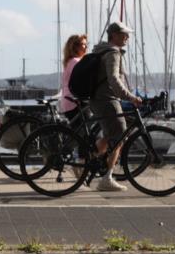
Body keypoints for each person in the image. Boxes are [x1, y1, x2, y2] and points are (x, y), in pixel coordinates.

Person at [88, 22, 142, 192]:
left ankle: (86, 160)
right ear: (114, 35)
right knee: (120, 137)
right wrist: (130, 97)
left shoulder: (101, 50)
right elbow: (113, 79)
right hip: (107, 100)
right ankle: (107, 178)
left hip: (97, 99)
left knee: (111, 135)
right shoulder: (112, 52)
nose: (127, 37)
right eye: (124, 34)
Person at [58, 34, 87, 117]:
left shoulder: (70, 61)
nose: (86, 47)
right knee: (87, 124)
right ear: (75, 47)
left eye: (86, 44)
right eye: (83, 44)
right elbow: (83, 79)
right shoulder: (75, 61)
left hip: (68, 101)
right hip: (74, 103)